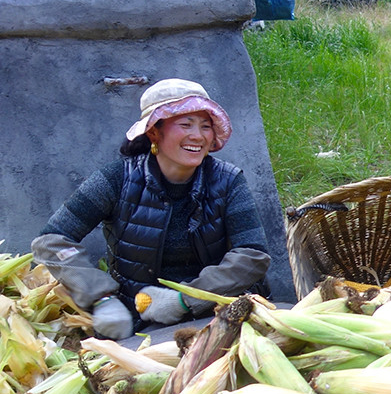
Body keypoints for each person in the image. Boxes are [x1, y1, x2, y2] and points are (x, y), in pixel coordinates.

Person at [32, 79, 271, 340]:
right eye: (185, 124)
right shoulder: (117, 179)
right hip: (141, 321)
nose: (198, 136)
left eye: (205, 126)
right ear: (154, 132)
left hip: (221, 313)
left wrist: (184, 299)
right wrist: (101, 298)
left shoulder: (227, 180)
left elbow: (252, 255)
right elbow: (52, 241)